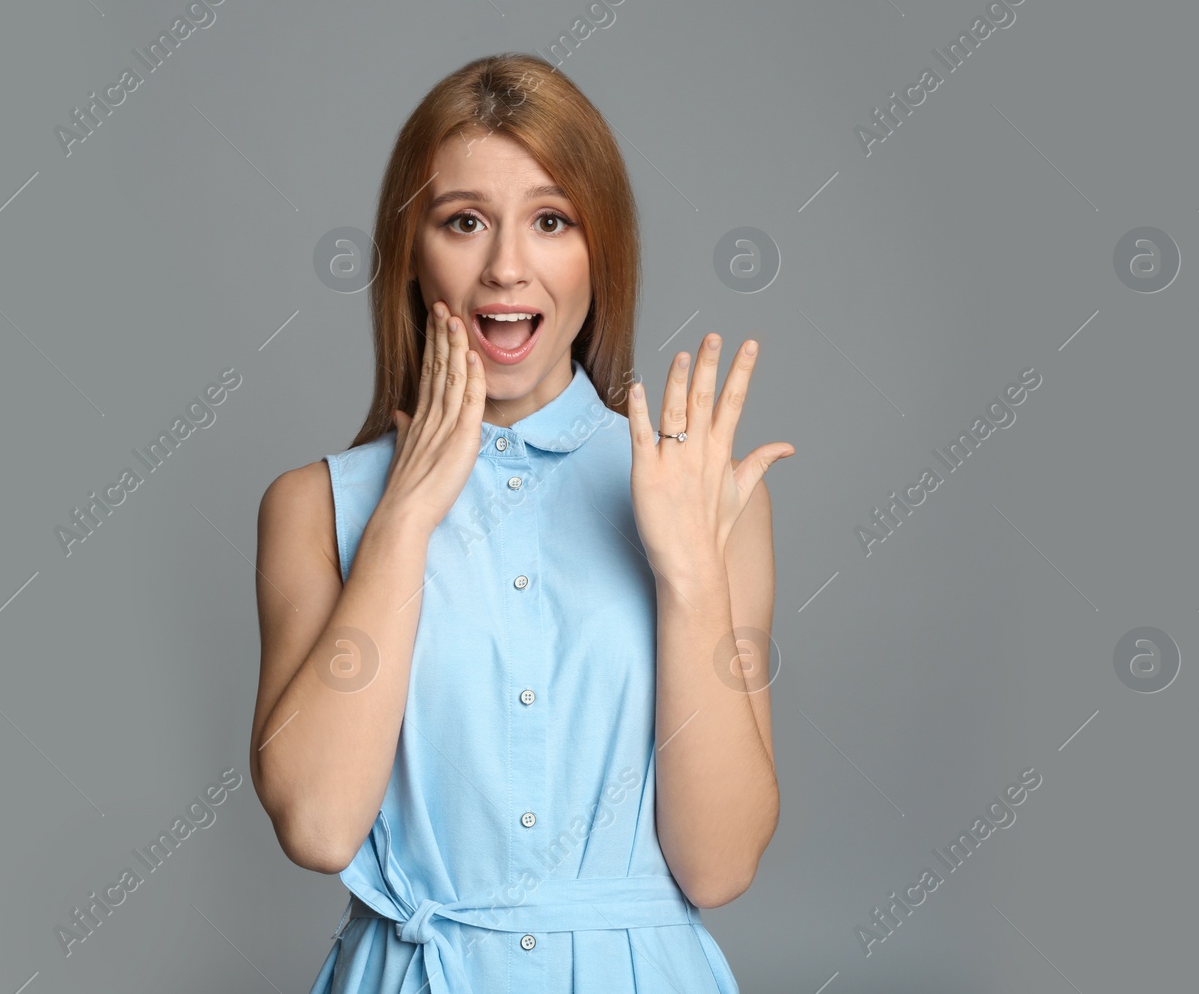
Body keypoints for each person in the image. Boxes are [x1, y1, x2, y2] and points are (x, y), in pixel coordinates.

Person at [250, 52, 793, 994]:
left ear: (601, 249)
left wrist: (691, 575)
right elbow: (319, 826)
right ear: (413, 252)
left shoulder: (704, 496)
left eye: (551, 221)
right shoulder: (315, 506)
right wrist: (405, 519)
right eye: (465, 222)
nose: (507, 266)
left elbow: (720, 862)